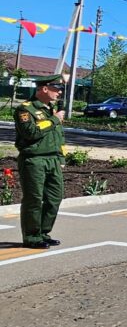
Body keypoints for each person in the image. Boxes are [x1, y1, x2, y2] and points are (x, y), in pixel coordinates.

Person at [14, 74, 67, 249]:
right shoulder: (25, 109)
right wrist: (54, 120)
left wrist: (61, 157)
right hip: (34, 160)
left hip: (53, 159)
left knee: (54, 198)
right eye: (56, 89)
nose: (59, 93)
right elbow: (30, 133)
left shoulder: (51, 110)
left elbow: (59, 137)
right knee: (34, 199)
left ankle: (43, 232)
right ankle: (32, 237)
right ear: (44, 89)